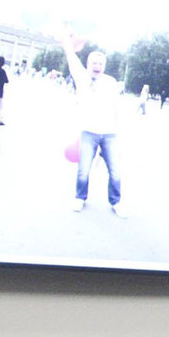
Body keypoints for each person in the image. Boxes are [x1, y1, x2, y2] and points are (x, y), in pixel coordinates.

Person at [61, 33, 125, 216]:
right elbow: (71, 57)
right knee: (83, 170)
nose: (97, 67)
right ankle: (80, 197)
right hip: (88, 132)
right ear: (88, 64)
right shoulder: (81, 77)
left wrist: (117, 130)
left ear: (104, 66)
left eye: (100, 64)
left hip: (109, 133)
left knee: (115, 171)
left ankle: (116, 202)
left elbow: (116, 108)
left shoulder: (110, 82)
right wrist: (66, 40)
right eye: (94, 63)